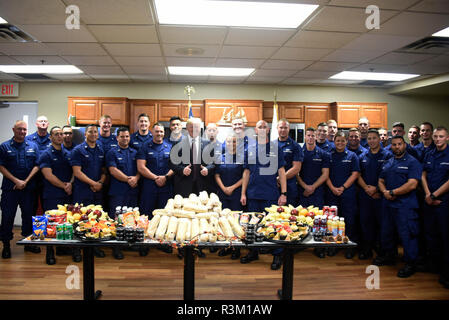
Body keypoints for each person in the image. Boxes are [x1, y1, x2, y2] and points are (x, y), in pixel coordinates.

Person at [240, 120, 287, 268]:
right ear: (255, 130)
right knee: (252, 226)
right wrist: (243, 193)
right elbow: (246, 172)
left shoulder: (275, 148)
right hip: (253, 194)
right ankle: (253, 252)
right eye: (259, 127)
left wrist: (283, 193)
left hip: (270, 194)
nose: (261, 129)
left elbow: (281, 171)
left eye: (264, 127)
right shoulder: (250, 149)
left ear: (268, 130)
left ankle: (277, 255)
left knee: (272, 225)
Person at [374, 135, 422, 278]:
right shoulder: (388, 162)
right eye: (394, 145)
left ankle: (410, 263)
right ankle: (390, 256)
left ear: (404, 145)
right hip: (388, 204)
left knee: (407, 235)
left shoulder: (413, 162)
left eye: (399, 144)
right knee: (387, 232)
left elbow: (412, 183)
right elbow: (380, 180)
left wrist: (393, 192)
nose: (396, 147)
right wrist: (384, 192)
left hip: (405, 206)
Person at [0, 121, 40, 259]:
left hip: (28, 189)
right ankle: (6, 245)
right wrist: (16, 181)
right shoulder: (4, 147)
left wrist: (26, 181)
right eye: (19, 129)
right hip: (10, 189)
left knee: (28, 216)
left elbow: (37, 165)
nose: (22, 132)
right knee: (7, 217)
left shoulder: (33, 146)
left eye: (24, 129)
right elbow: (1, 166)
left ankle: (28, 243)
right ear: (13, 129)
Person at [39, 126, 75, 264]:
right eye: (56, 134)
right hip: (52, 194)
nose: (60, 136)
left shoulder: (68, 153)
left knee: (66, 222)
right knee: (51, 224)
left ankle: (62, 248)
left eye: (61, 134)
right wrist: (64, 186)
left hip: (67, 193)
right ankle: (50, 252)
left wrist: (70, 184)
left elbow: (74, 171)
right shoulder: (46, 154)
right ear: (50, 137)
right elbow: (48, 175)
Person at [71, 124, 107, 258]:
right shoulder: (78, 150)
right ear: (85, 134)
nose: (93, 134)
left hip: (97, 191)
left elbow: (104, 171)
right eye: (90, 132)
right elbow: (77, 172)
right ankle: (77, 250)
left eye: (95, 132)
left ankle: (94, 247)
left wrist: (101, 183)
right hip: (82, 191)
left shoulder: (101, 150)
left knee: (97, 220)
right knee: (79, 220)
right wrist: (94, 183)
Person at [421, 126, 449, 289]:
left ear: (447, 138)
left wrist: (434, 195)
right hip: (428, 200)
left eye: (441, 136)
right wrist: (427, 194)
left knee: (445, 237)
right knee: (430, 235)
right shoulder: (429, 153)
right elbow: (423, 174)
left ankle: (446, 272)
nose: (438, 139)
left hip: (443, 202)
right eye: (436, 136)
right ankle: (435, 266)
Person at [357, 129, 391, 260]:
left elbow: (388, 176)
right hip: (366, 196)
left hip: (380, 197)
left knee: (382, 225)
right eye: (369, 138)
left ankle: (383, 252)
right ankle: (367, 250)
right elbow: (358, 175)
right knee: (366, 224)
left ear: (379, 139)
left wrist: (376, 189)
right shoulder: (363, 156)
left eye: (374, 138)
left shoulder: (387, 156)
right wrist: (367, 189)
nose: (371, 141)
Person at [326, 131, 360, 259]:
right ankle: (333, 245)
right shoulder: (329, 156)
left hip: (348, 193)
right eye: (337, 141)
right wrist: (333, 188)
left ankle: (349, 247)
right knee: (333, 222)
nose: (340, 143)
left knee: (349, 221)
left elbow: (355, 174)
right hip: (331, 192)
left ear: (346, 142)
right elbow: (326, 174)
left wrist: (343, 187)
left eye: (342, 141)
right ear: (334, 142)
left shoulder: (352, 156)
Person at [169, 117, 216, 198]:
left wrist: (207, 169)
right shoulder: (177, 143)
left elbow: (214, 163)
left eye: (196, 127)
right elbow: (171, 163)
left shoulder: (208, 144)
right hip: (183, 185)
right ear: (187, 128)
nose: (194, 129)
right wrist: (182, 170)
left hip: (203, 186)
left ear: (200, 128)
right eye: (191, 126)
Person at [215, 134, 243, 260]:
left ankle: (236, 248)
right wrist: (224, 188)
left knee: (236, 222)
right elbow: (216, 175)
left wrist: (231, 188)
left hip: (236, 193)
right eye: (229, 142)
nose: (231, 144)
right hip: (222, 193)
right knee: (223, 221)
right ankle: (226, 246)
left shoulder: (242, 158)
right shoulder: (220, 157)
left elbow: (245, 176)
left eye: (234, 142)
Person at [137, 123, 173, 216]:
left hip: (166, 186)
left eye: (161, 131)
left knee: (164, 216)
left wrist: (165, 177)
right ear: (152, 132)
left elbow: (175, 166)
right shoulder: (144, 146)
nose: (159, 133)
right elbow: (141, 167)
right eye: (157, 131)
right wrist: (156, 178)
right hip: (149, 186)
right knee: (146, 214)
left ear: (164, 133)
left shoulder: (170, 146)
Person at [297, 127, 330, 209]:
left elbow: (325, 174)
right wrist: (305, 187)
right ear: (305, 137)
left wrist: (312, 187)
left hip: (317, 192)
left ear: (316, 137)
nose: (310, 138)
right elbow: (296, 173)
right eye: (308, 135)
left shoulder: (324, 154)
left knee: (317, 218)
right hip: (302, 191)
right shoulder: (299, 153)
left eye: (313, 135)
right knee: (302, 218)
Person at [277, 119, 303, 207]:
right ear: (277, 128)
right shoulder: (271, 145)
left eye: (285, 128)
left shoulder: (295, 146)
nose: (283, 130)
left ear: (289, 129)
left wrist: (280, 178)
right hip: (273, 187)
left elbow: (296, 168)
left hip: (290, 187)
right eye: (281, 127)